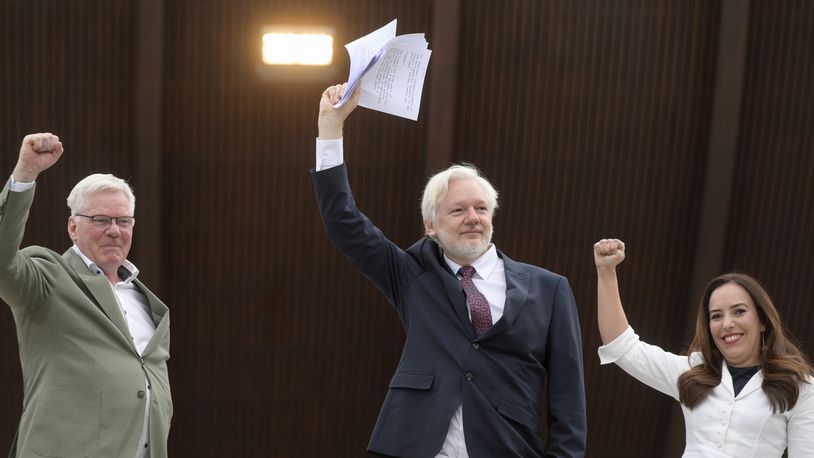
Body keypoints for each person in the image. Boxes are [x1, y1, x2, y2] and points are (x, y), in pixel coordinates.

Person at [309, 83, 586, 457]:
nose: (473, 218)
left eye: (481, 209)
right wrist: (331, 127)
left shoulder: (550, 290)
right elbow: (345, 223)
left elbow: (568, 401)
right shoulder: (411, 275)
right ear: (431, 225)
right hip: (414, 446)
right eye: (458, 210)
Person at [0, 133, 172, 458]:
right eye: (100, 219)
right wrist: (24, 175)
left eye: (123, 220)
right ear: (73, 228)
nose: (113, 229)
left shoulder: (147, 302)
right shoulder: (48, 279)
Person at [593, 238, 814, 457]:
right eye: (716, 316)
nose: (727, 324)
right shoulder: (694, 372)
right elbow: (622, 347)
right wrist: (606, 271)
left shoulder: (800, 386)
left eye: (739, 311)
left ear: (762, 320)